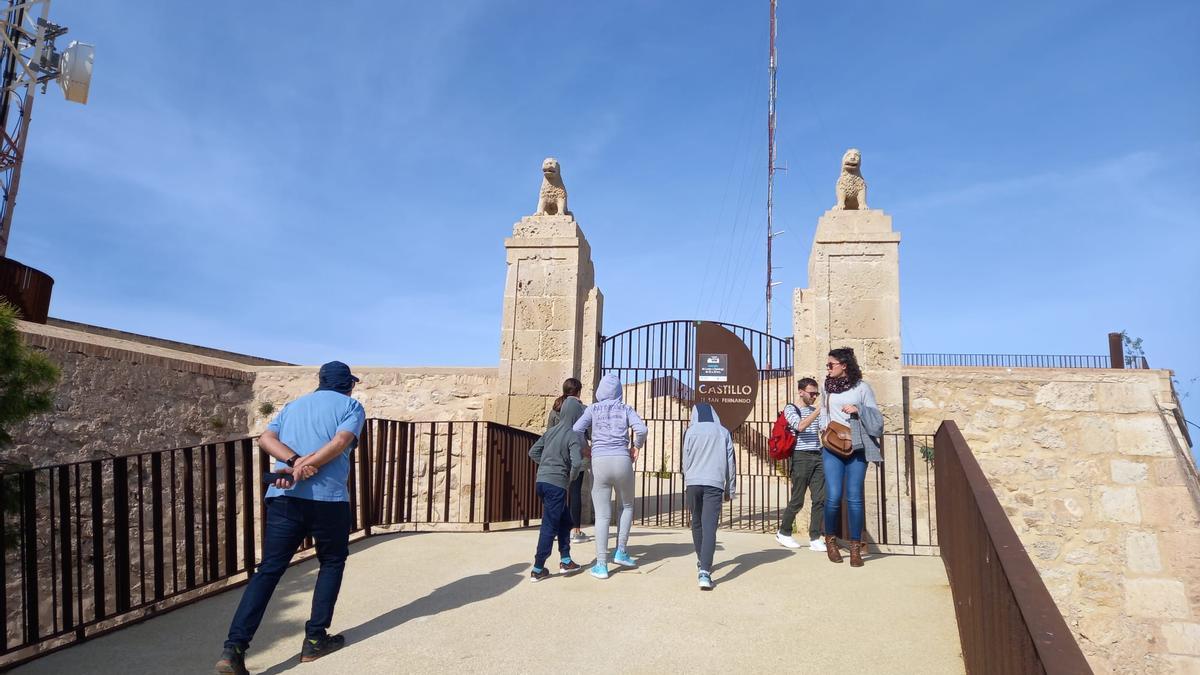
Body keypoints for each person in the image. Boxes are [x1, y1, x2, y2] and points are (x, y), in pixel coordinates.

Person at [216, 361, 366, 675]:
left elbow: (266, 440)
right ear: (348, 385)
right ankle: (314, 640)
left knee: (268, 571)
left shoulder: (294, 406)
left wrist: (294, 462)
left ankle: (234, 649)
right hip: (328, 501)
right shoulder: (352, 406)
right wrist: (305, 466)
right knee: (332, 561)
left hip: (284, 498)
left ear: (321, 382)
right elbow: (340, 443)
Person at [572, 373, 647, 580]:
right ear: (619, 391)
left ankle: (602, 565)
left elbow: (577, 429)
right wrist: (636, 447)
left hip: (600, 461)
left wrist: (585, 447)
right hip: (622, 459)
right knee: (627, 506)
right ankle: (621, 551)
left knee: (603, 515)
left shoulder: (592, 409)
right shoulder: (626, 409)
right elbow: (641, 429)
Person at [819, 348, 884, 568]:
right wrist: (823, 431)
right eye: (827, 365)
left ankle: (856, 547)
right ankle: (830, 541)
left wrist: (858, 409)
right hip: (832, 445)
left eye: (831, 365)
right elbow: (823, 412)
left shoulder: (862, 388)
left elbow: (876, 417)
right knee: (834, 495)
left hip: (856, 445)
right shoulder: (826, 387)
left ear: (844, 365)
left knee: (855, 497)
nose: (828, 368)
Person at [527, 395, 586, 581]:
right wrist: (569, 477)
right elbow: (576, 463)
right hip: (556, 485)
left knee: (565, 521)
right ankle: (538, 568)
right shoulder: (573, 435)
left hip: (542, 482)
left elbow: (533, 452)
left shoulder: (551, 432)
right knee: (549, 526)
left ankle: (566, 560)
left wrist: (545, 467)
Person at [681, 402, 735, 590]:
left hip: (693, 482)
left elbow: (685, 460)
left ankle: (700, 558)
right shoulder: (723, 432)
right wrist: (730, 488)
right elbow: (731, 463)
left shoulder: (690, 431)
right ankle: (705, 570)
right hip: (714, 483)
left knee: (696, 522)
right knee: (709, 526)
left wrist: (687, 478)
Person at [775, 378, 827, 552]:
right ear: (801, 392)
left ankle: (815, 537)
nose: (814, 397)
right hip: (801, 456)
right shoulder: (791, 409)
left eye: (816, 394)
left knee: (820, 498)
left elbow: (822, 429)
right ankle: (784, 532)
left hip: (817, 455)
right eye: (811, 393)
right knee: (797, 499)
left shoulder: (815, 410)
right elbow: (799, 426)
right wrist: (819, 411)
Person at [546, 378, 590, 544]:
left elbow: (549, 433)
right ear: (578, 391)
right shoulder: (583, 410)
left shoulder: (555, 409)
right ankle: (576, 530)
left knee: (558, 493)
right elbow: (590, 434)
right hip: (577, 455)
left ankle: (557, 528)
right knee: (575, 492)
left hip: (559, 456)